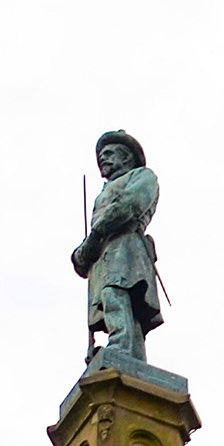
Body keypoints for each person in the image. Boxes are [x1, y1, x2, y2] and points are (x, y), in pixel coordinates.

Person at [72, 131, 163, 366]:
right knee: (114, 301)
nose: (103, 159)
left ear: (126, 157)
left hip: (126, 247)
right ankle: (133, 358)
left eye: (110, 153)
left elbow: (129, 205)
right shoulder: (103, 193)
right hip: (102, 256)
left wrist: (96, 234)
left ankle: (120, 346)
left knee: (116, 292)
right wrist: (81, 254)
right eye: (101, 156)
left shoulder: (142, 176)